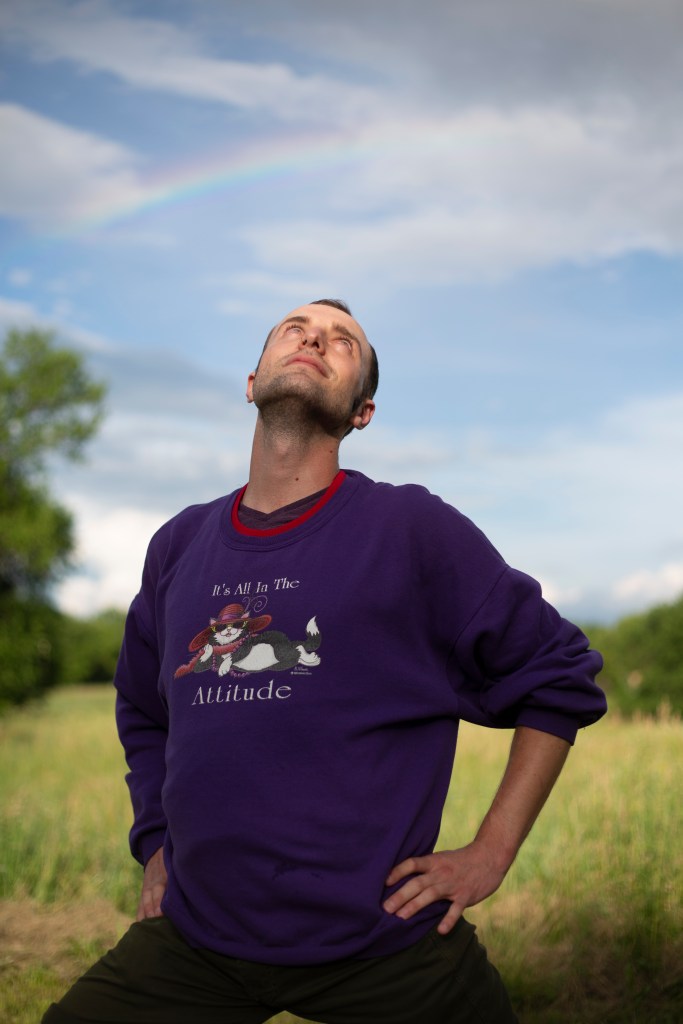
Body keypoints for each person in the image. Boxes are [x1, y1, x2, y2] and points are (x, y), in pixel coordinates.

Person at [44, 299, 606, 1024]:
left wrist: (491, 852)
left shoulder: (409, 528)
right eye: (295, 329)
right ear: (252, 382)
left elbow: (558, 674)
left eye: (344, 343)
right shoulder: (178, 545)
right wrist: (154, 840)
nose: (315, 339)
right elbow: (143, 709)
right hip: (197, 938)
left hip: (384, 944)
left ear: (362, 411)